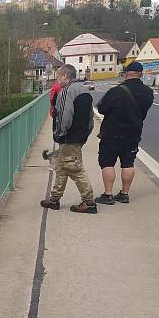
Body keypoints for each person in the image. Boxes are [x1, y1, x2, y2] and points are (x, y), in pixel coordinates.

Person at [93, 61, 154, 205]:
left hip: (112, 133)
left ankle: (108, 194)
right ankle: (124, 194)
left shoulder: (117, 91)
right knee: (128, 163)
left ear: (126, 73)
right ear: (140, 75)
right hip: (133, 133)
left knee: (107, 163)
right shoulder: (148, 92)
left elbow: (101, 109)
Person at [40, 64, 97, 214]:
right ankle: (54, 199)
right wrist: (86, 134)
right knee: (62, 168)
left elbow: (64, 116)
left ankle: (89, 202)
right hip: (79, 136)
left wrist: (59, 133)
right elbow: (90, 117)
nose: (57, 80)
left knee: (75, 169)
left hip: (69, 137)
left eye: (58, 77)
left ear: (65, 76)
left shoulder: (66, 91)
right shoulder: (85, 91)